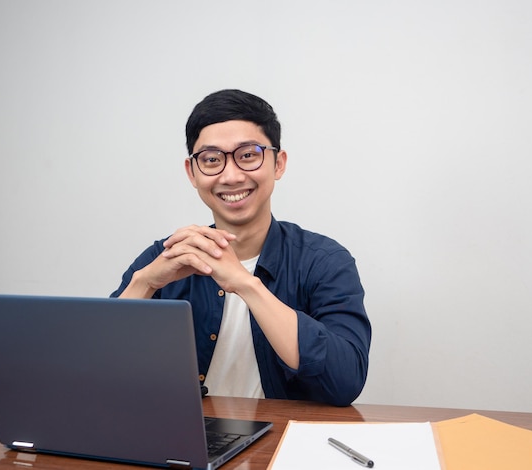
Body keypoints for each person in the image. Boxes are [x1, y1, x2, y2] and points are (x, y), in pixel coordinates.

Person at [111, 89, 371, 406]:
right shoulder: (166, 258)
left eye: (248, 155)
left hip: (284, 445)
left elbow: (345, 381)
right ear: (192, 173)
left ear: (278, 163)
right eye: (211, 160)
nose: (231, 176)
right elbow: (98, 374)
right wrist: (145, 282)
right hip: (187, 443)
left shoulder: (324, 261)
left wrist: (246, 284)